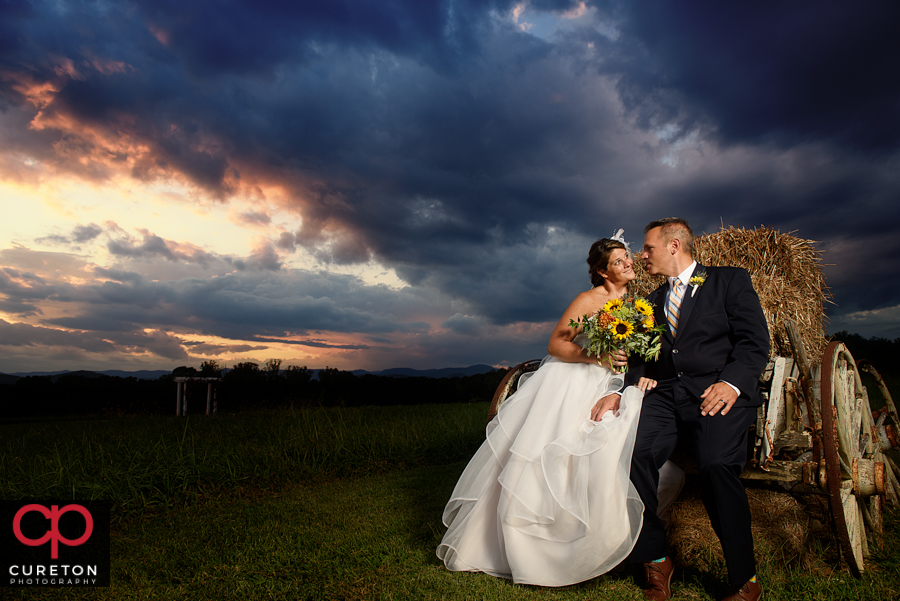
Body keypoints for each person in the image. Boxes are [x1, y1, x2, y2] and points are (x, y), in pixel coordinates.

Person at [436, 236, 684, 587]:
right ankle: (542, 546)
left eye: (627, 257)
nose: (629, 263)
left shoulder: (637, 304)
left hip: (612, 385)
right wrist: (596, 357)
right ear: (601, 271)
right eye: (618, 261)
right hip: (575, 382)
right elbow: (556, 343)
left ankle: (604, 542)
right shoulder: (589, 300)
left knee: (616, 454)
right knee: (558, 457)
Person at [594, 218, 769, 601]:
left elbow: (754, 341)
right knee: (632, 453)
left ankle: (745, 579)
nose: (642, 255)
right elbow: (641, 358)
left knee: (716, 466)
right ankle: (655, 557)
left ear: (674, 246)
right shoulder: (652, 301)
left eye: (648, 248)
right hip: (667, 396)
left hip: (718, 392)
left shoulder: (729, 280)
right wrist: (622, 391)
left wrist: (732, 383)